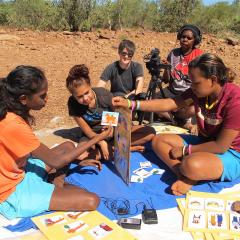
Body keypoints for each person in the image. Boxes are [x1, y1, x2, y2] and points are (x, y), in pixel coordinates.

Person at [112, 53, 240, 196]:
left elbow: (220, 146)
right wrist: (131, 104)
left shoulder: (235, 101)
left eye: (196, 82)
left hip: (231, 153)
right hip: (205, 142)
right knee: (158, 141)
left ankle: (190, 172)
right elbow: (170, 103)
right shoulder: (199, 92)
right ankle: (184, 175)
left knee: (191, 164)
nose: (192, 86)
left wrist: (186, 150)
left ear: (213, 80)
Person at [0, 66, 112, 220]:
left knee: (68, 146)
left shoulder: (12, 112)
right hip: (10, 191)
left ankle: (55, 186)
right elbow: (57, 162)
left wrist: (75, 157)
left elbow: (29, 149)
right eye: (42, 96)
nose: (46, 99)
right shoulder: (13, 124)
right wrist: (97, 138)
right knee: (92, 200)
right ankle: (53, 187)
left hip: (20, 169)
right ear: (24, 99)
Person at [66, 64, 155, 160]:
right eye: (79, 97)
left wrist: (112, 129)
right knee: (80, 155)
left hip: (112, 132)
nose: (85, 98)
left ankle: (112, 149)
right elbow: (87, 131)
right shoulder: (73, 103)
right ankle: (121, 148)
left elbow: (122, 116)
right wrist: (100, 141)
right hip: (93, 137)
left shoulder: (104, 95)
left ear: (90, 86)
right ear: (73, 96)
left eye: (87, 92)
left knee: (149, 132)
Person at [157, 24, 203, 132]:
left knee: (193, 108)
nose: (185, 39)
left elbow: (202, 81)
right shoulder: (173, 54)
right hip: (172, 90)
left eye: (189, 38)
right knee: (152, 99)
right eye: (183, 37)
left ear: (195, 40)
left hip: (190, 92)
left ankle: (172, 114)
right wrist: (167, 68)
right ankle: (179, 121)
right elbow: (166, 80)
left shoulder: (199, 56)